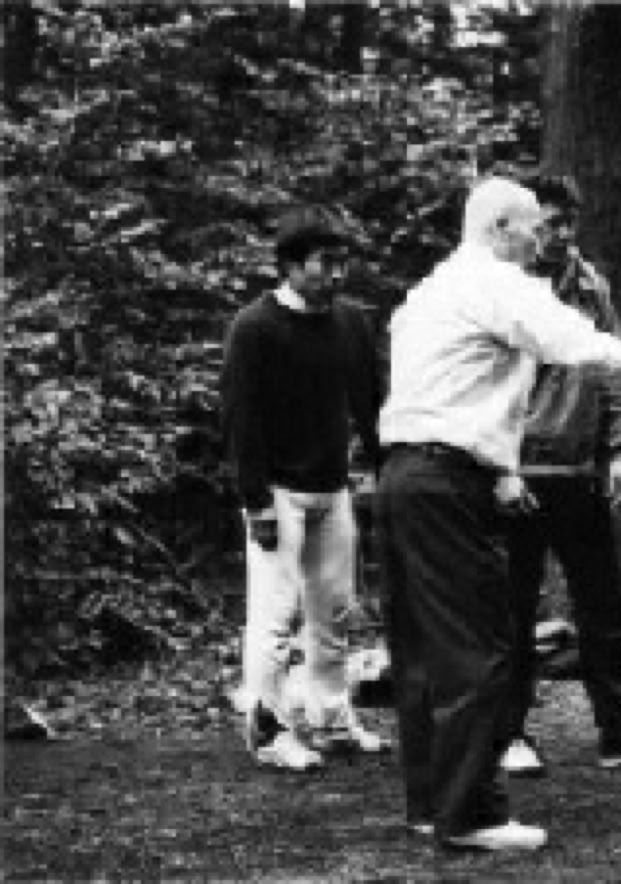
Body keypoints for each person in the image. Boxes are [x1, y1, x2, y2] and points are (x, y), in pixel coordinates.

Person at [375, 176, 621, 852]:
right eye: (531, 227)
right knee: (476, 646)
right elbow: (583, 345)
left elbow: (444, 388)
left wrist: (496, 468)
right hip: (443, 481)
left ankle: (430, 802)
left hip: (407, 474)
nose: (542, 238)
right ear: (499, 227)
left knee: (422, 651)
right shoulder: (498, 283)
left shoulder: (432, 289)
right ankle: (469, 814)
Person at [498, 175, 621, 778]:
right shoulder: (501, 287)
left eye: (566, 224)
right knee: (513, 608)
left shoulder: (588, 285)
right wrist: (497, 465)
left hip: (579, 469)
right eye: (546, 224)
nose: (556, 236)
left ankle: (620, 734)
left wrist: (620, 449)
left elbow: (613, 367)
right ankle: (508, 732)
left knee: (602, 606)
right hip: (517, 471)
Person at [221, 205, 389, 771]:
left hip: (332, 486)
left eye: (342, 263)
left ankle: (332, 716)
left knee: (335, 611)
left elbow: (370, 403)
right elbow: (242, 420)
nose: (335, 275)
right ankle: (268, 730)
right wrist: (256, 502)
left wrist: (386, 467)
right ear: (291, 266)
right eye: (324, 264)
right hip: (277, 491)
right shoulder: (255, 328)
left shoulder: (351, 324)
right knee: (273, 615)